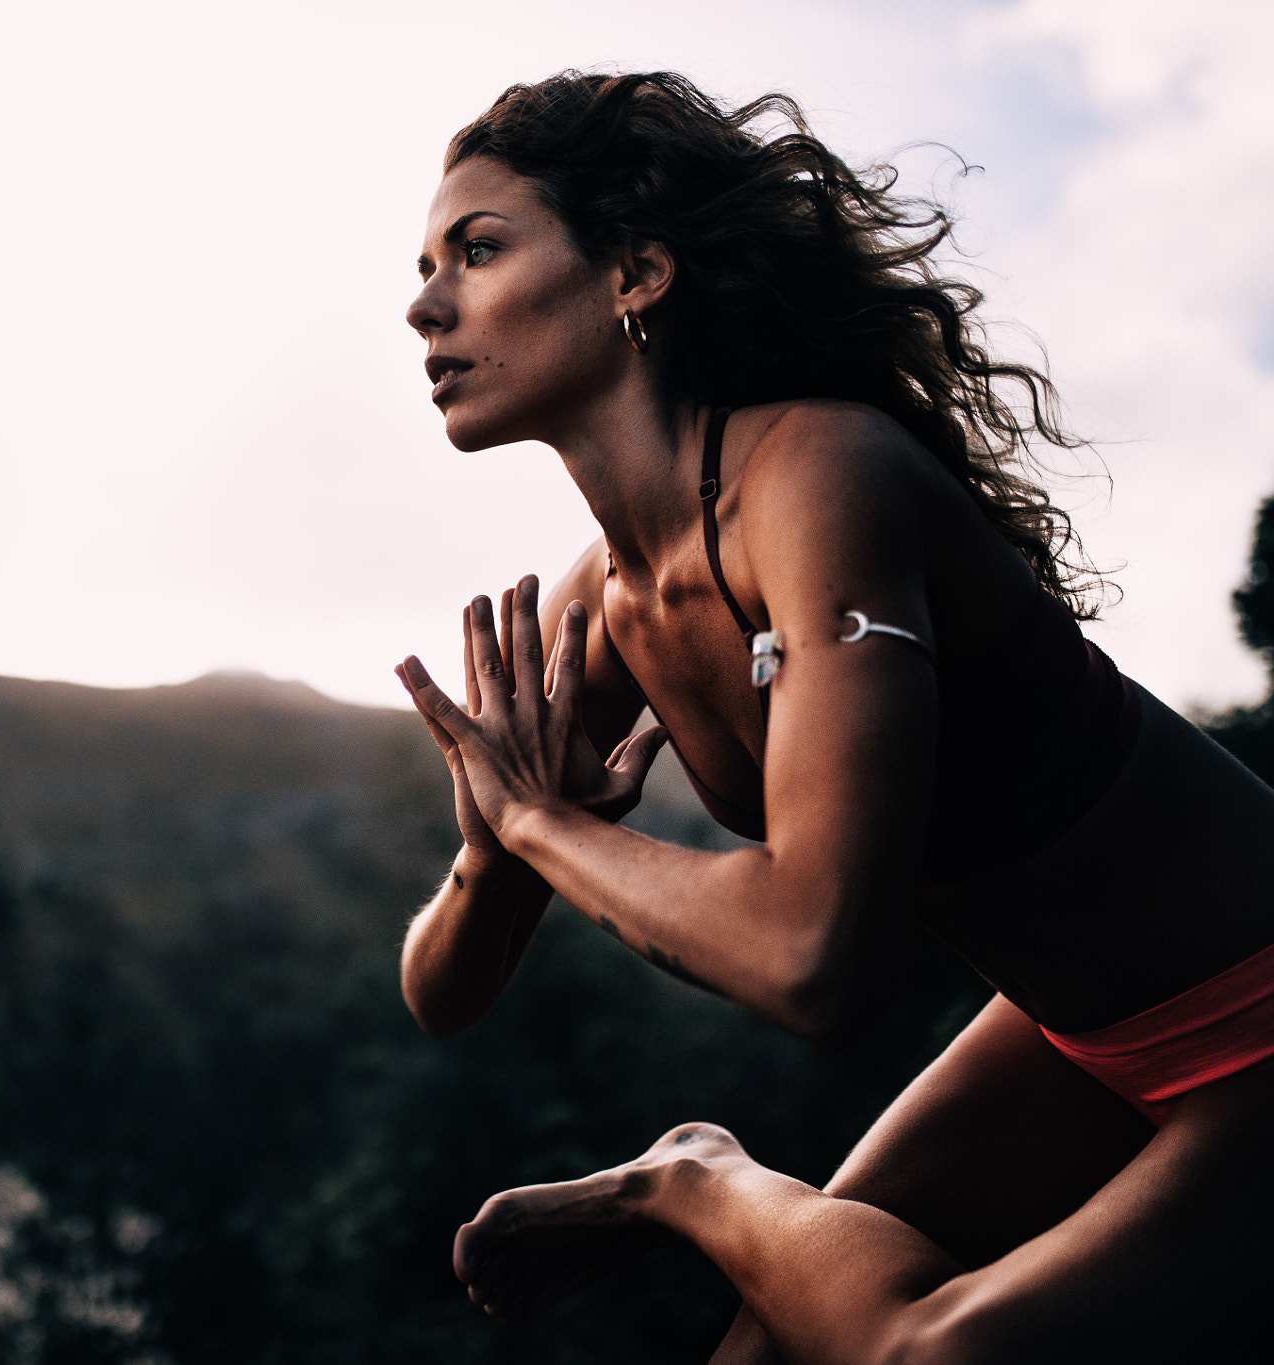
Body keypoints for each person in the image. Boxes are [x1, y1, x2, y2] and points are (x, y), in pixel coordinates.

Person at [392, 71, 1274, 1363]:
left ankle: (688, 1177)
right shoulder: (604, 606)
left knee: (935, 1354)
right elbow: (441, 991)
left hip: (1259, 1003)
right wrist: (494, 843)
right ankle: (688, 1182)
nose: (423, 305)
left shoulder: (819, 471)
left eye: (477, 249)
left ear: (636, 274)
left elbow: (821, 959)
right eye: (423, 267)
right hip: (1072, 1031)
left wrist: (542, 823)